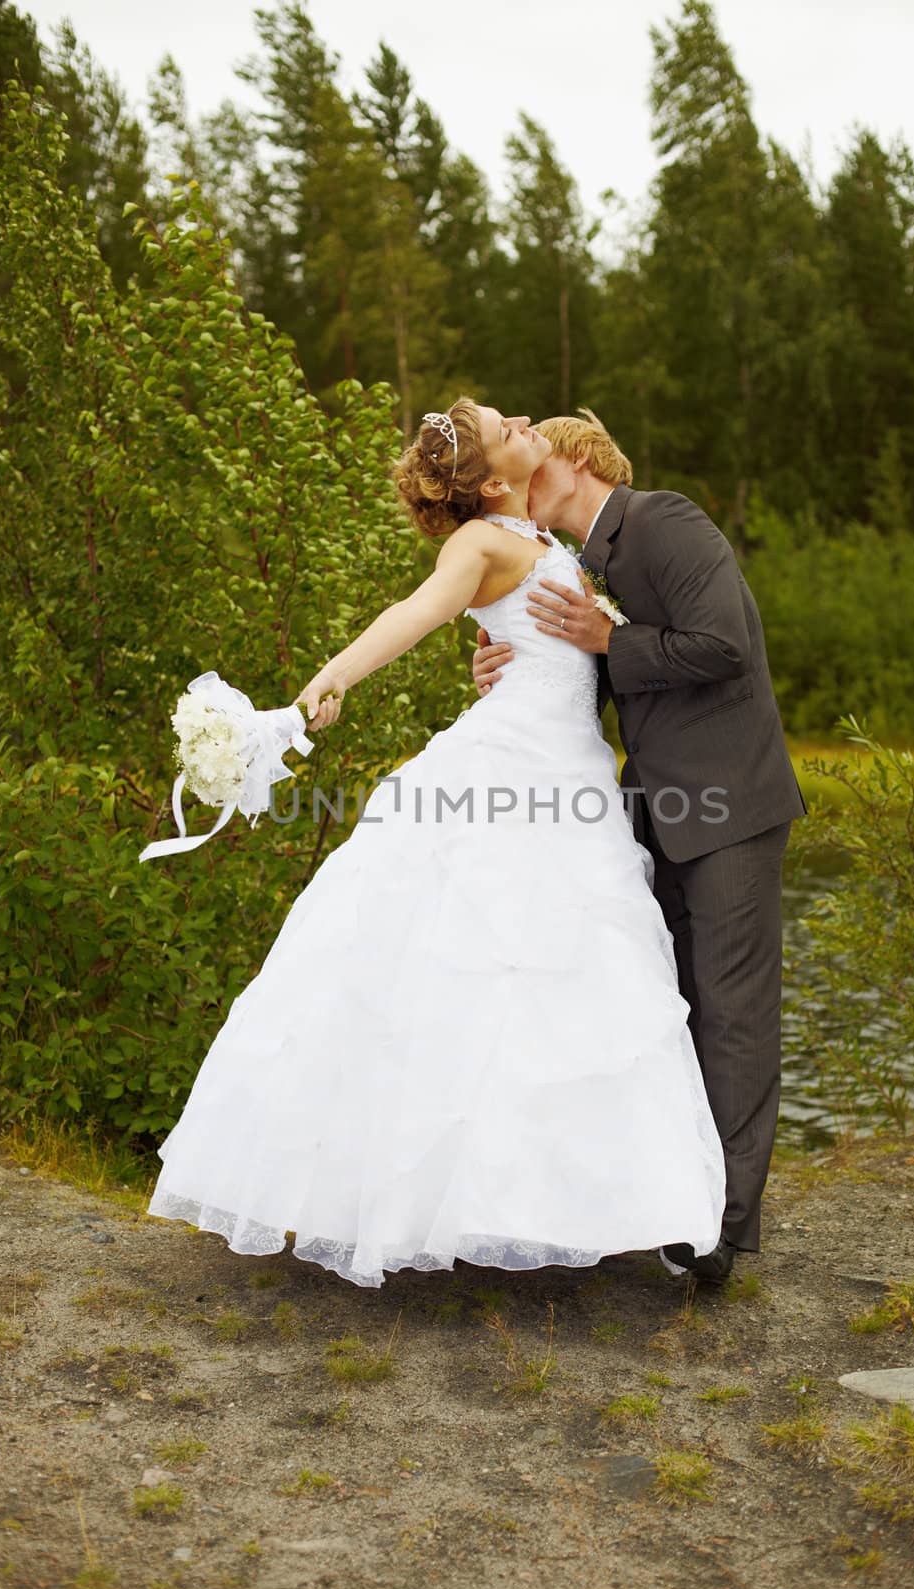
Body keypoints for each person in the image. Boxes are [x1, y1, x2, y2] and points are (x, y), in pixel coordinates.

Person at [145, 399, 726, 1289]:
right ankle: (443, 1206)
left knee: (555, 993)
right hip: (516, 770)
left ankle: (551, 1203)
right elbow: (413, 611)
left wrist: (504, 645)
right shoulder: (482, 545)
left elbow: (560, 638)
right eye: (507, 424)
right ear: (493, 479)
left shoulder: (533, 536)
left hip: (562, 767)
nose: (525, 416)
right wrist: (321, 689)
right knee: (477, 977)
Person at [472, 409, 807, 1284]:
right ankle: (671, 1196)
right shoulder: (578, 564)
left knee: (732, 1015)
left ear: (580, 459)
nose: (525, 478)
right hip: (653, 814)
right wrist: (508, 665)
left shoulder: (663, 518)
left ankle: (720, 1236)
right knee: (666, 1007)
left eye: (538, 461)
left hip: (730, 804)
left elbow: (723, 645)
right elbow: (586, 678)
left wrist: (607, 638)